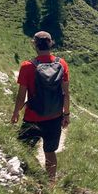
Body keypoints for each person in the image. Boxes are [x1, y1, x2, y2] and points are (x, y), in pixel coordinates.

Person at [12, 30, 70, 183]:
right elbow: (66, 93)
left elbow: (21, 95)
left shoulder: (27, 66)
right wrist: (66, 114)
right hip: (55, 117)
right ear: (51, 43)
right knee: (50, 151)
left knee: (23, 147)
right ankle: (51, 184)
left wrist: (16, 113)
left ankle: (27, 177)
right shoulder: (62, 64)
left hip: (33, 117)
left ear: (34, 44)